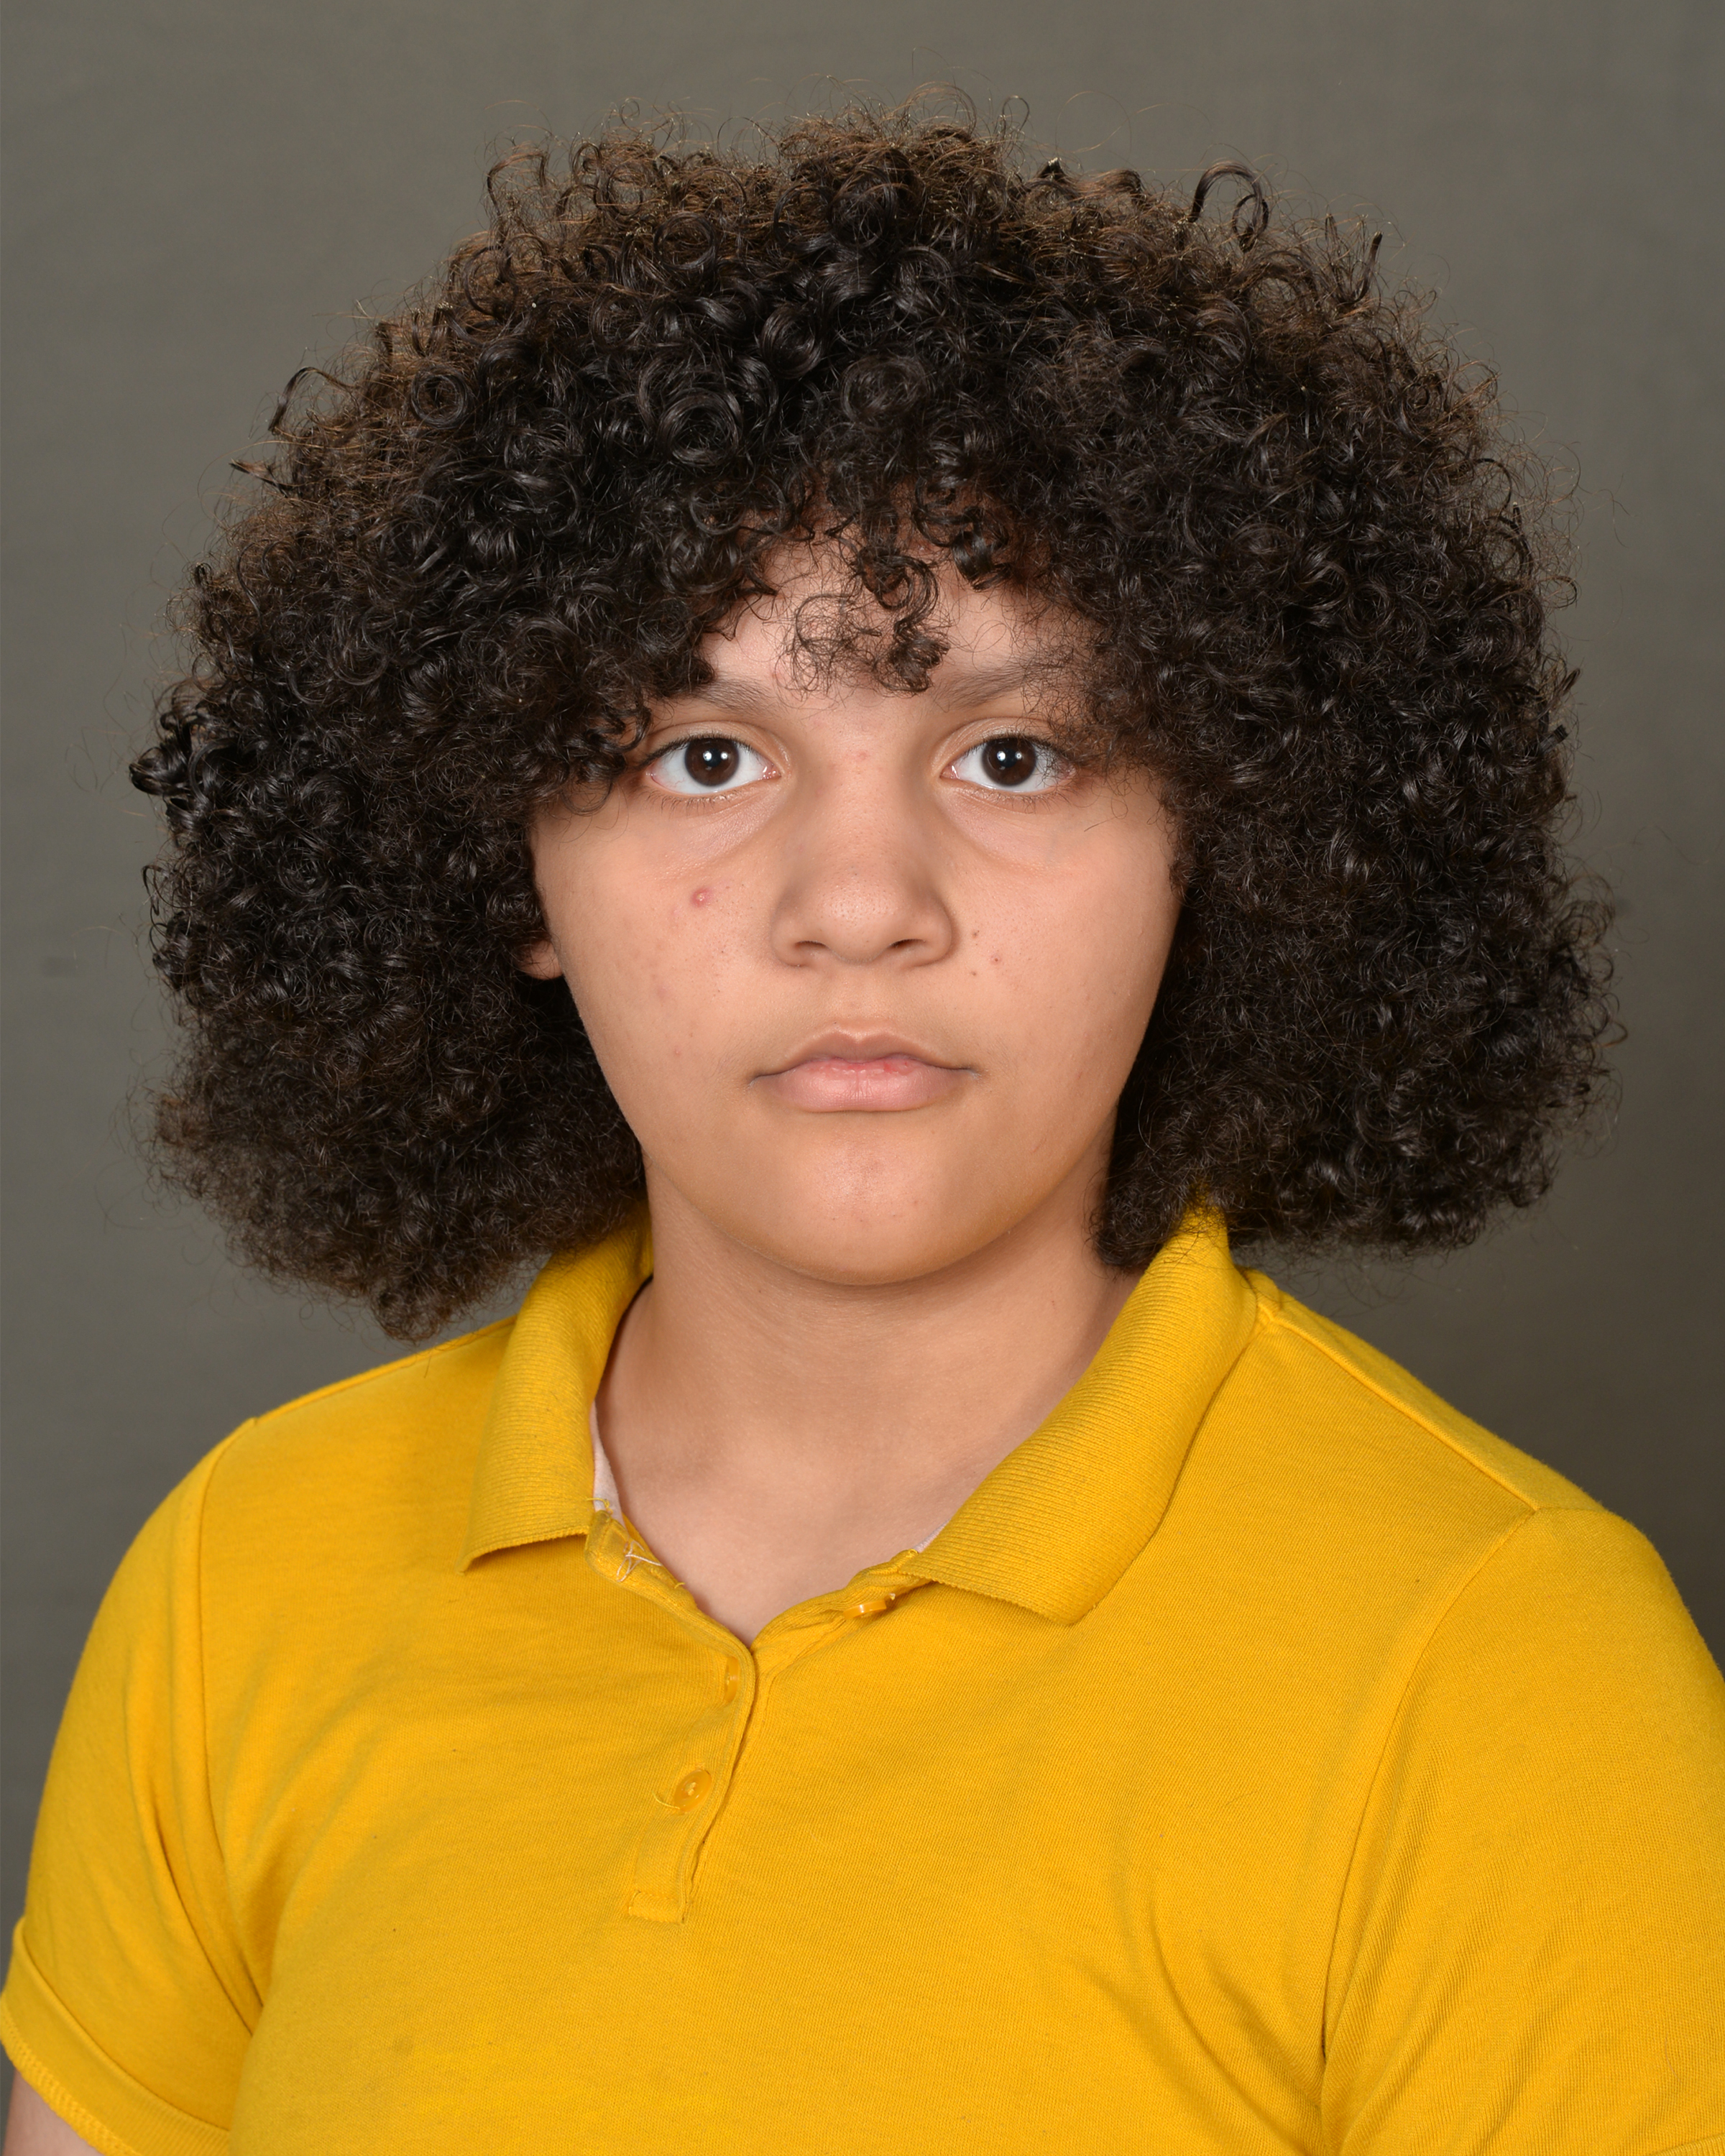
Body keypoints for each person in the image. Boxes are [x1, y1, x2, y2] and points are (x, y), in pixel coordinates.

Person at [4, 104, 1721, 2156]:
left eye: (1013, 756)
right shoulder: (244, 1579)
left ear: (1222, 840)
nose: (860, 902)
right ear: (500, 862)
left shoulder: (1502, 1665)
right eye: (702, 755)